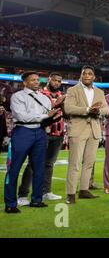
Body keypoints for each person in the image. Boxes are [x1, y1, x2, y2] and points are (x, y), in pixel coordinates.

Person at [4, 71, 60, 214]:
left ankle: (37, 199)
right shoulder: (17, 96)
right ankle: (10, 203)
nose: (36, 82)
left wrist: (54, 115)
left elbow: (46, 118)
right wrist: (44, 116)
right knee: (14, 168)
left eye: (37, 79)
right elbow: (21, 115)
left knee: (39, 168)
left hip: (40, 132)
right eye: (33, 80)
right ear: (25, 82)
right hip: (23, 131)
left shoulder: (44, 98)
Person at [17, 72, 66, 206]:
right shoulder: (39, 94)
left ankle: (46, 192)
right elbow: (39, 113)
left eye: (59, 81)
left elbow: (65, 114)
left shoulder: (62, 95)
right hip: (42, 132)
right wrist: (57, 104)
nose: (57, 83)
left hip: (58, 133)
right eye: (54, 80)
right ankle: (22, 195)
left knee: (49, 164)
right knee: (33, 164)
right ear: (49, 80)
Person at [64, 66, 109, 204]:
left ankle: (84, 190)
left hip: (94, 130)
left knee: (89, 163)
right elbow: (68, 108)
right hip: (78, 129)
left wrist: (99, 112)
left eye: (90, 74)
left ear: (94, 77)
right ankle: (70, 194)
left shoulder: (100, 92)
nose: (87, 76)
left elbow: (106, 109)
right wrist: (88, 110)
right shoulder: (72, 90)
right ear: (81, 75)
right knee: (74, 163)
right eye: (85, 73)